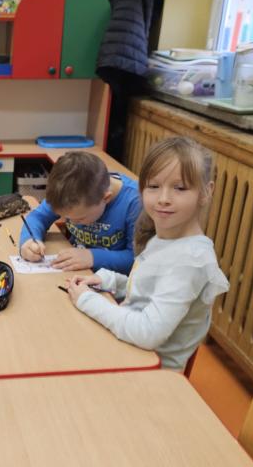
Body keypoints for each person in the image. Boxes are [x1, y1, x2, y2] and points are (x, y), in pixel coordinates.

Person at [64, 137, 229, 371]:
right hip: (129, 351)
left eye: (180, 188)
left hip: (150, 372)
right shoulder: (167, 237)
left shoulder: (190, 261)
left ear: (205, 192)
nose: (163, 199)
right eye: (153, 186)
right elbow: (148, 290)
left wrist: (87, 300)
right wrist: (109, 280)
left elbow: (148, 333)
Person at [19, 151, 141, 273]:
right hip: (77, 271)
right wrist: (29, 240)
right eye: (66, 217)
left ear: (106, 198)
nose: (72, 223)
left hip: (112, 279)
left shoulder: (136, 203)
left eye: (80, 219)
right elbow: (38, 217)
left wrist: (93, 257)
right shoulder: (66, 191)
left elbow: (137, 260)